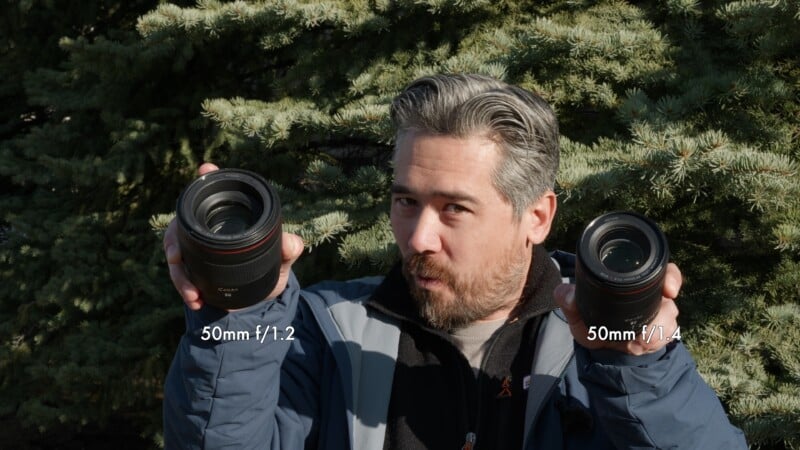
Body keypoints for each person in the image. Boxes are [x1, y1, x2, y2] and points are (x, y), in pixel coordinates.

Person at [162, 74, 747, 449]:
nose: (418, 237)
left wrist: (640, 367)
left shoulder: (600, 344)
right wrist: (239, 305)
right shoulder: (322, 330)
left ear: (536, 217)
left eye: (454, 209)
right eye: (406, 202)